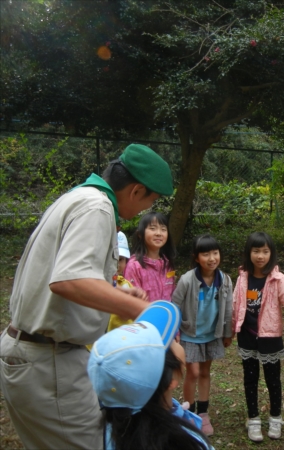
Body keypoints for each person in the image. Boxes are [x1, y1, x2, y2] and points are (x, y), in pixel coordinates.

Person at [0, 143, 173, 449]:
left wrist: (114, 290)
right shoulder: (97, 207)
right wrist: (136, 307)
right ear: (135, 191)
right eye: (150, 201)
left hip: (31, 352)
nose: (146, 210)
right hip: (49, 361)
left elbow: (67, 273)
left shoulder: (76, 198)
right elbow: (69, 280)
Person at [88, 300, 213, 450]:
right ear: (171, 379)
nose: (177, 339)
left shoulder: (102, 435)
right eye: (173, 340)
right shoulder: (189, 443)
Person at [232, 231, 284, 442]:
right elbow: (234, 306)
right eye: (256, 251)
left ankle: (275, 418)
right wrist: (228, 331)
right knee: (250, 379)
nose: (261, 256)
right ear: (248, 253)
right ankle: (253, 420)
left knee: (273, 380)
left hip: (270, 337)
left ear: (272, 254)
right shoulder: (243, 278)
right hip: (247, 336)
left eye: (265, 251)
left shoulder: (278, 280)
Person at [172, 234, 234, 436]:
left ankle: (203, 413)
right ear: (196, 257)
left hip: (212, 334)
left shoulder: (224, 280)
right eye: (205, 254)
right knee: (193, 373)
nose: (212, 258)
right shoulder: (187, 280)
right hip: (190, 333)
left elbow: (228, 309)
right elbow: (175, 305)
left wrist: (227, 333)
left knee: (206, 372)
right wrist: (175, 332)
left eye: (215, 253)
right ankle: (188, 412)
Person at [124, 211, 177, 302]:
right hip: (143, 315)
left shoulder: (167, 263)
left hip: (167, 314)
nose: (159, 233)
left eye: (163, 229)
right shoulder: (134, 266)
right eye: (153, 228)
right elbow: (132, 300)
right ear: (140, 234)